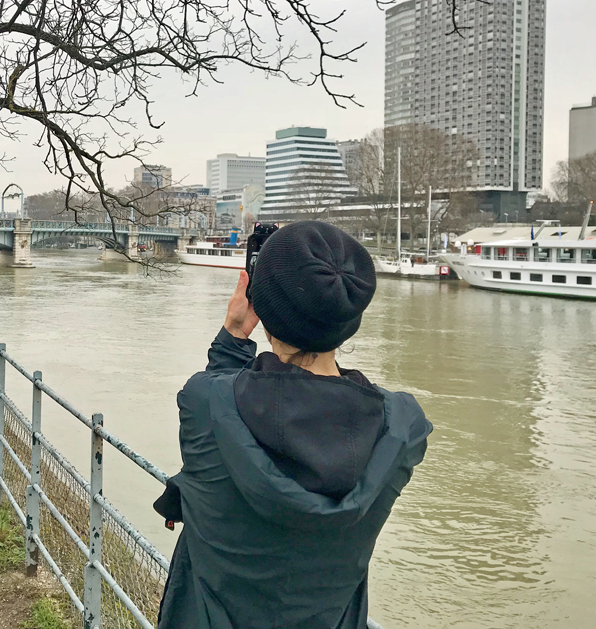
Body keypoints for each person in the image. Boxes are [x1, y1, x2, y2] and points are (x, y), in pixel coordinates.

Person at [156, 221, 432, 629]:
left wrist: (233, 337)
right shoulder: (404, 429)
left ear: (263, 310)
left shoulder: (204, 402)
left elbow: (220, 404)